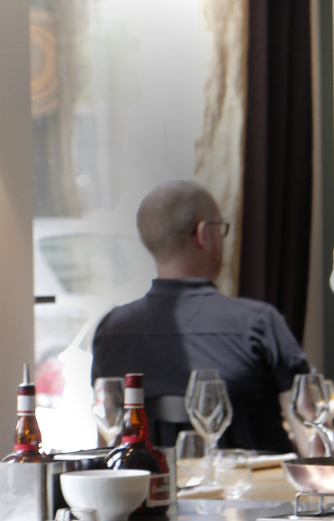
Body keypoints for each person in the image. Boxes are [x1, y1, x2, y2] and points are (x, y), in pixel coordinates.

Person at [91, 181, 310, 452]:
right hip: (254, 491)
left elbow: (106, 439)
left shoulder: (111, 332)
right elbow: (311, 433)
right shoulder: (259, 323)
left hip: (150, 490)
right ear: (203, 234)